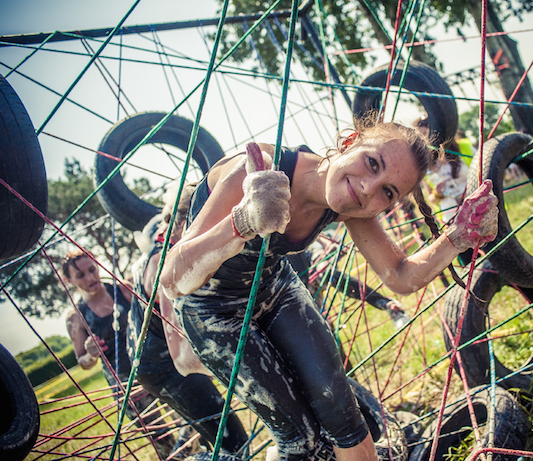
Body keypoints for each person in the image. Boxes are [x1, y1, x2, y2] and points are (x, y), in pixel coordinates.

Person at [160, 112, 498, 461]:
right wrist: (242, 222)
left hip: (273, 290)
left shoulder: (351, 206)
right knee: (300, 439)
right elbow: (172, 279)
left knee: (344, 414)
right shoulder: (258, 169)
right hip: (213, 310)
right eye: (372, 163)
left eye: (387, 192)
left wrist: (458, 236)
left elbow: (399, 275)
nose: (367, 188)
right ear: (350, 142)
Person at [127, 184, 250, 457]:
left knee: (214, 433)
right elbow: (184, 356)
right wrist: (243, 371)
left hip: (156, 362)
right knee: (233, 441)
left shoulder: (166, 250)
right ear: (187, 221)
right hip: (165, 367)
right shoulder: (163, 263)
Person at [63, 250, 177, 458]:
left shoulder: (123, 289)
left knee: (190, 418)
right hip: (125, 385)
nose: (90, 278)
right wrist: (91, 354)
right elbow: (83, 361)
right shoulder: (75, 317)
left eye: (92, 270)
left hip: (157, 365)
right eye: (80, 275)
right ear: (69, 281)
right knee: (162, 440)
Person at [287, 234, 411, 330]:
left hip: (307, 259)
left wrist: (326, 243)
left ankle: (386, 304)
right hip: (290, 289)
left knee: (326, 272)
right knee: (322, 329)